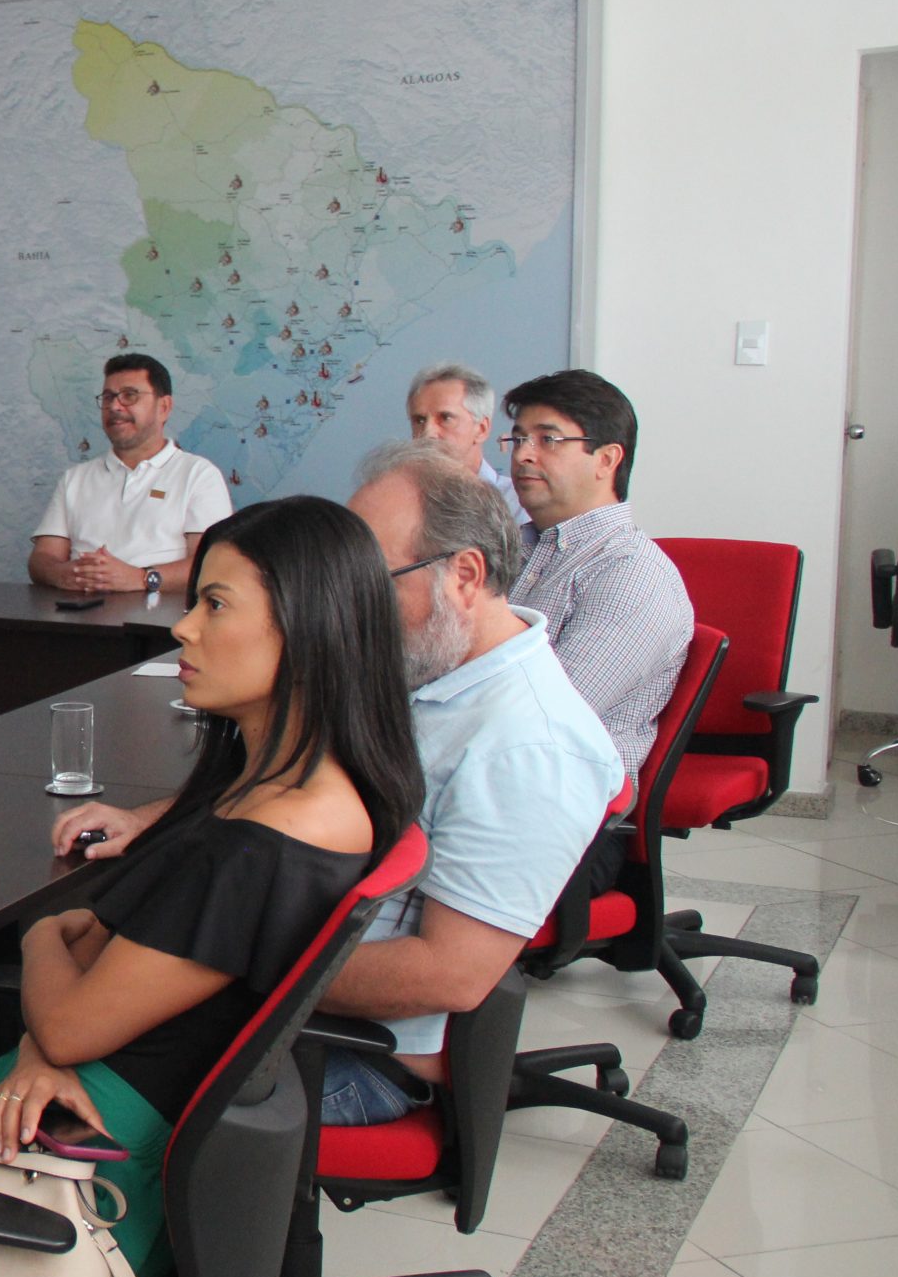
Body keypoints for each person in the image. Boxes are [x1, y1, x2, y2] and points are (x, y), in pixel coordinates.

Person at [66, 440, 623, 1129]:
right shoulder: (426, 668)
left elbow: (451, 974)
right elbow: (292, 782)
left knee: (44, 1016)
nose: (346, 605)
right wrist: (159, 819)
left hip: (342, 1054)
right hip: (269, 986)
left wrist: (215, 955)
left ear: (464, 576)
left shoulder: (530, 746)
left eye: (371, 580)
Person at [0, 495, 423, 1277]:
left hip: (89, 1151)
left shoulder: (262, 843)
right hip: (97, 1095)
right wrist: (49, 1024)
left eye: (215, 604)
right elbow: (107, 953)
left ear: (307, 628)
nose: (184, 628)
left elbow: (72, 1023)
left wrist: (39, 930)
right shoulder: (290, 789)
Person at [501, 368, 693, 783]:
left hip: (561, 791)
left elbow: (547, 716)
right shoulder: (514, 549)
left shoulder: (632, 573)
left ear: (606, 460)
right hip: (489, 764)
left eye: (547, 440)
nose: (522, 456)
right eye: (518, 439)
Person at [28, 353, 232, 598]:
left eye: (129, 395)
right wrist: (62, 574)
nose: (115, 407)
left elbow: (212, 566)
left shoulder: (198, 475)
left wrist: (139, 578)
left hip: (161, 619)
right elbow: (42, 558)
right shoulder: (75, 479)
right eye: (108, 397)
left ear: (164, 407)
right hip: (79, 614)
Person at [404, 361, 517, 510]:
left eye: (445, 418)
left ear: (481, 429)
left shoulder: (519, 505)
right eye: (419, 420)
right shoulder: (399, 503)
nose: (428, 432)